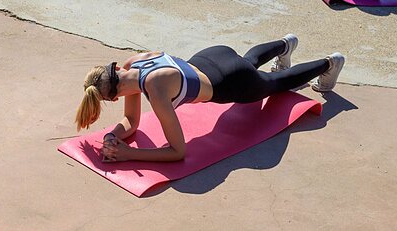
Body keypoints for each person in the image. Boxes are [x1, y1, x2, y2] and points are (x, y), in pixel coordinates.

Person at [75, 37, 344, 163]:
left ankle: (330, 63)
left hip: (230, 82)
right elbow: (131, 121)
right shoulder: (133, 63)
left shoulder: (155, 91)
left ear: (114, 96)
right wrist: (115, 134)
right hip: (212, 55)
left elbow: (177, 152)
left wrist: (129, 154)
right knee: (247, 61)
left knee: (275, 84)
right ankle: (285, 44)